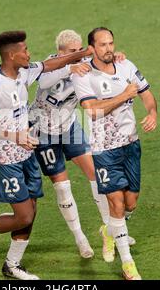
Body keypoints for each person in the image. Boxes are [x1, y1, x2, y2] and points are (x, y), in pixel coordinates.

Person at [0, 30, 93, 280]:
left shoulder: (23, 72)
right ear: (12, 55)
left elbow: (49, 64)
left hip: (27, 153)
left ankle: (12, 264)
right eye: (24, 50)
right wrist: (14, 137)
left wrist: (81, 54)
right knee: (23, 215)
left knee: (30, 212)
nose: (29, 53)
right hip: (5, 158)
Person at [28, 29, 134, 262]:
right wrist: (69, 68)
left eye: (80, 50)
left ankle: (110, 228)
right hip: (43, 130)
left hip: (69, 127)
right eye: (72, 52)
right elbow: (43, 80)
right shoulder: (51, 64)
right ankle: (80, 238)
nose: (78, 55)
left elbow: (104, 71)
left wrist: (117, 59)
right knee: (63, 186)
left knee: (96, 175)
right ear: (61, 52)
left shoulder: (87, 63)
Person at [72, 27, 158, 280]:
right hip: (103, 149)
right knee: (116, 203)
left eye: (111, 43)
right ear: (92, 48)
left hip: (130, 143)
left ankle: (110, 230)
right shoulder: (84, 74)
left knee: (131, 203)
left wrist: (152, 112)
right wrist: (124, 95)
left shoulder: (126, 64)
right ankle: (128, 265)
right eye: (102, 45)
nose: (108, 48)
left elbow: (147, 94)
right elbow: (93, 111)